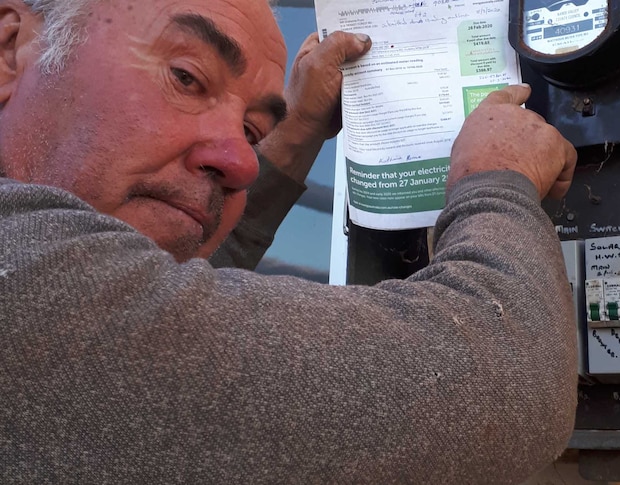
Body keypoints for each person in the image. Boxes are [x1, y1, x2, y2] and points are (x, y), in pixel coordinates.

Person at [0, 0, 579, 483]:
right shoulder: (31, 282)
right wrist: (495, 180)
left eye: (252, 131)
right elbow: (503, 383)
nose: (240, 162)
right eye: (186, 77)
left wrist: (297, 133)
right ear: (9, 47)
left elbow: (152, 303)